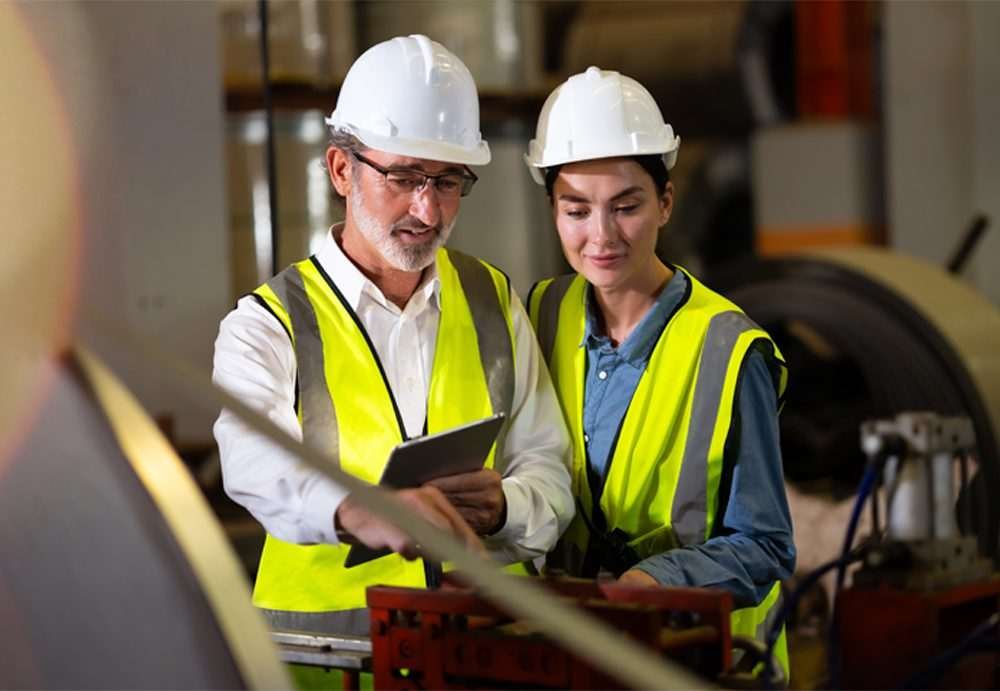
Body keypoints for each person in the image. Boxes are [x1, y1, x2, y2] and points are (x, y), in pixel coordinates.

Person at [213, 35, 573, 638]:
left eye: (448, 181)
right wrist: (358, 509)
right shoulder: (266, 325)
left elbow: (547, 466)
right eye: (404, 177)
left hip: (484, 656)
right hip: (330, 661)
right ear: (340, 170)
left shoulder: (493, 300)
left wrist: (510, 508)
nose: (427, 211)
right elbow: (256, 465)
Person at [524, 67, 796, 676]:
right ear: (552, 210)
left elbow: (767, 545)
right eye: (576, 210)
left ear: (666, 203)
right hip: (576, 655)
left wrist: (656, 579)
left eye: (626, 207)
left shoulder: (727, 349)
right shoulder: (541, 313)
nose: (601, 236)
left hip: (705, 660)